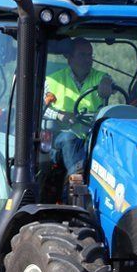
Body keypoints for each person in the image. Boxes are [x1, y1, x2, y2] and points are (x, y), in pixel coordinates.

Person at [44, 38, 114, 175]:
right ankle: (76, 179)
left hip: (92, 135)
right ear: (69, 58)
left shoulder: (100, 78)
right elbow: (41, 110)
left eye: (90, 55)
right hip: (61, 136)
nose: (88, 60)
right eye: (82, 55)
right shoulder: (52, 80)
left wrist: (108, 83)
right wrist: (59, 115)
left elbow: (110, 82)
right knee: (69, 138)